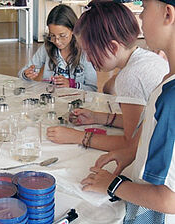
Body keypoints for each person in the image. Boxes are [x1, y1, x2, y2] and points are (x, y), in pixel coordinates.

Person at [81, 0, 175, 223]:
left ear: (168, 14)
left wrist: (113, 185)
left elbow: (168, 200)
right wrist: (132, 150)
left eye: (144, 9)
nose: (140, 18)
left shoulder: (171, 97)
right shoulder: (167, 81)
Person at [46, 1, 169, 152]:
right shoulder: (147, 58)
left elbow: (132, 145)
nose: (89, 59)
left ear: (112, 47)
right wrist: (98, 117)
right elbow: (142, 122)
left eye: (89, 52)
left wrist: (77, 136)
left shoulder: (130, 77)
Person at [18, 4, 97, 91]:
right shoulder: (46, 48)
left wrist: (72, 85)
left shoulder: (85, 52)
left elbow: (92, 89)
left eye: (62, 35)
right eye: (52, 36)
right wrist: (26, 74)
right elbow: (21, 73)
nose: (57, 41)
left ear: (74, 30)